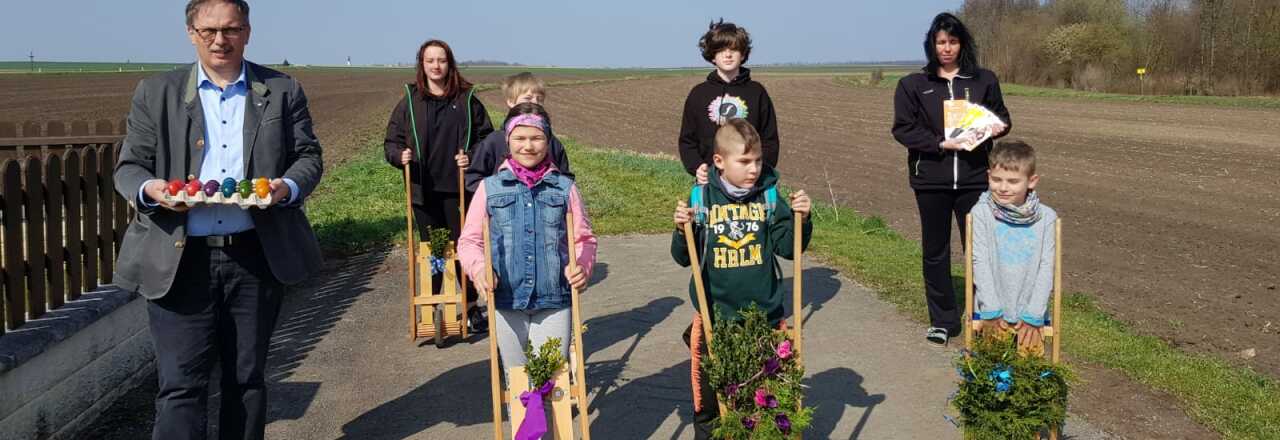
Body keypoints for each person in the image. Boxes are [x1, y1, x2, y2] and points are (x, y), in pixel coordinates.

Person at [112, 1, 323, 438]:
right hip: (179, 259)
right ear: (190, 32)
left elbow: (308, 157)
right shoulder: (157, 92)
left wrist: (286, 187)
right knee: (180, 386)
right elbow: (130, 166)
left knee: (246, 381)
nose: (219, 39)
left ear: (247, 32)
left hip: (254, 256)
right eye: (208, 30)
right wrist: (152, 192)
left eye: (230, 29)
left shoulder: (282, 90)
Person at [671, 118, 811, 439]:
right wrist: (683, 231)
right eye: (745, 161)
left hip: (765, 318)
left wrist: (804, 219)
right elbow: (683, 258)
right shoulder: (701, 200)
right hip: (714, 321)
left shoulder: (769, 198)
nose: (753, 169)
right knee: (710, 405)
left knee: (768, 401)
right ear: (719, 162)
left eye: (758, 161)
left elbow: (790, 248)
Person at [891, 12, 1011, 346]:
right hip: (931, 180)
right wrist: (939, 144)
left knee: (979, 250)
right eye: (941, 42)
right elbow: (903, 128)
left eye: (953, 41)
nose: (946, 48)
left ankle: (984, 315)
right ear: (932, 44)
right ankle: (942, 320)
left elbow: (1002, 118)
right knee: (935, 251)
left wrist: (992, 128)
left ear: (962, 44)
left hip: (974, 179)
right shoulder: (913, 85)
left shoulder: (983, 80)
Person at [457, 103, 597, 369]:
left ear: (548, 140)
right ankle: (524, 413)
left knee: (550, 376)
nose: (528, 146)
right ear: (508, 141)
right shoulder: (490, 189)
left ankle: (547, 412)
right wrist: (479, 270)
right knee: (518, 378)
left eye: (536, 138)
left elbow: (583, 239)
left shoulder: (565, 189)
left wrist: (582, 266)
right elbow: (469, 241)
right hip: (506, 300)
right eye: (520, 138)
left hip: (553, 298)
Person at [384, 39, 494, 332]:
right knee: (432, 250)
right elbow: (391, 142)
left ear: (450, 64)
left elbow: (488, 140)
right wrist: (400, 156)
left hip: (458, 190)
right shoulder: (410, 101)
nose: (436, 66)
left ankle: (471, 307)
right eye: (430, 60)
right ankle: (434, 306)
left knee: (463, 248)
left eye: (441, 60)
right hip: (424, 190)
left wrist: (470, 157)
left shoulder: (468, 100)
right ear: (422, 64)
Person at [971, 140, 1057, 354]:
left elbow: (1047, 268)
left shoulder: (1046, 218)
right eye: (996, 179)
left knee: (1028, 376)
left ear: (1031, 181)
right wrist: (990, 309)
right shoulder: (980, 214)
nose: (1003, 187)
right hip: (991, 312)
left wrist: (1034, 313)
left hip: (1030, 315)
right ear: (988, 176)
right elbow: (979, 262)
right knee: (990, 373)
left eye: (1012, 181)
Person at [678, 18, 780, 185]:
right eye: (721, 49)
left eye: (734, 49)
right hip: (709, 182)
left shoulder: (757, 92)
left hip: (750, 183)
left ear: (743, 54)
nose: (727, 54)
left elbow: (769, 139)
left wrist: (759, 172)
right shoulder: (698, 94)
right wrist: (697, 167)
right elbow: (687, 140)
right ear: (712, 56)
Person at [464, 72, 571, 192]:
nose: (535, 103)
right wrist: (497, 193)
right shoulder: (494, 141)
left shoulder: (552, 142)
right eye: (528, 98)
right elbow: (473, 179)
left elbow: (566, 180)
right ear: (510, 101)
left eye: (539, 99)